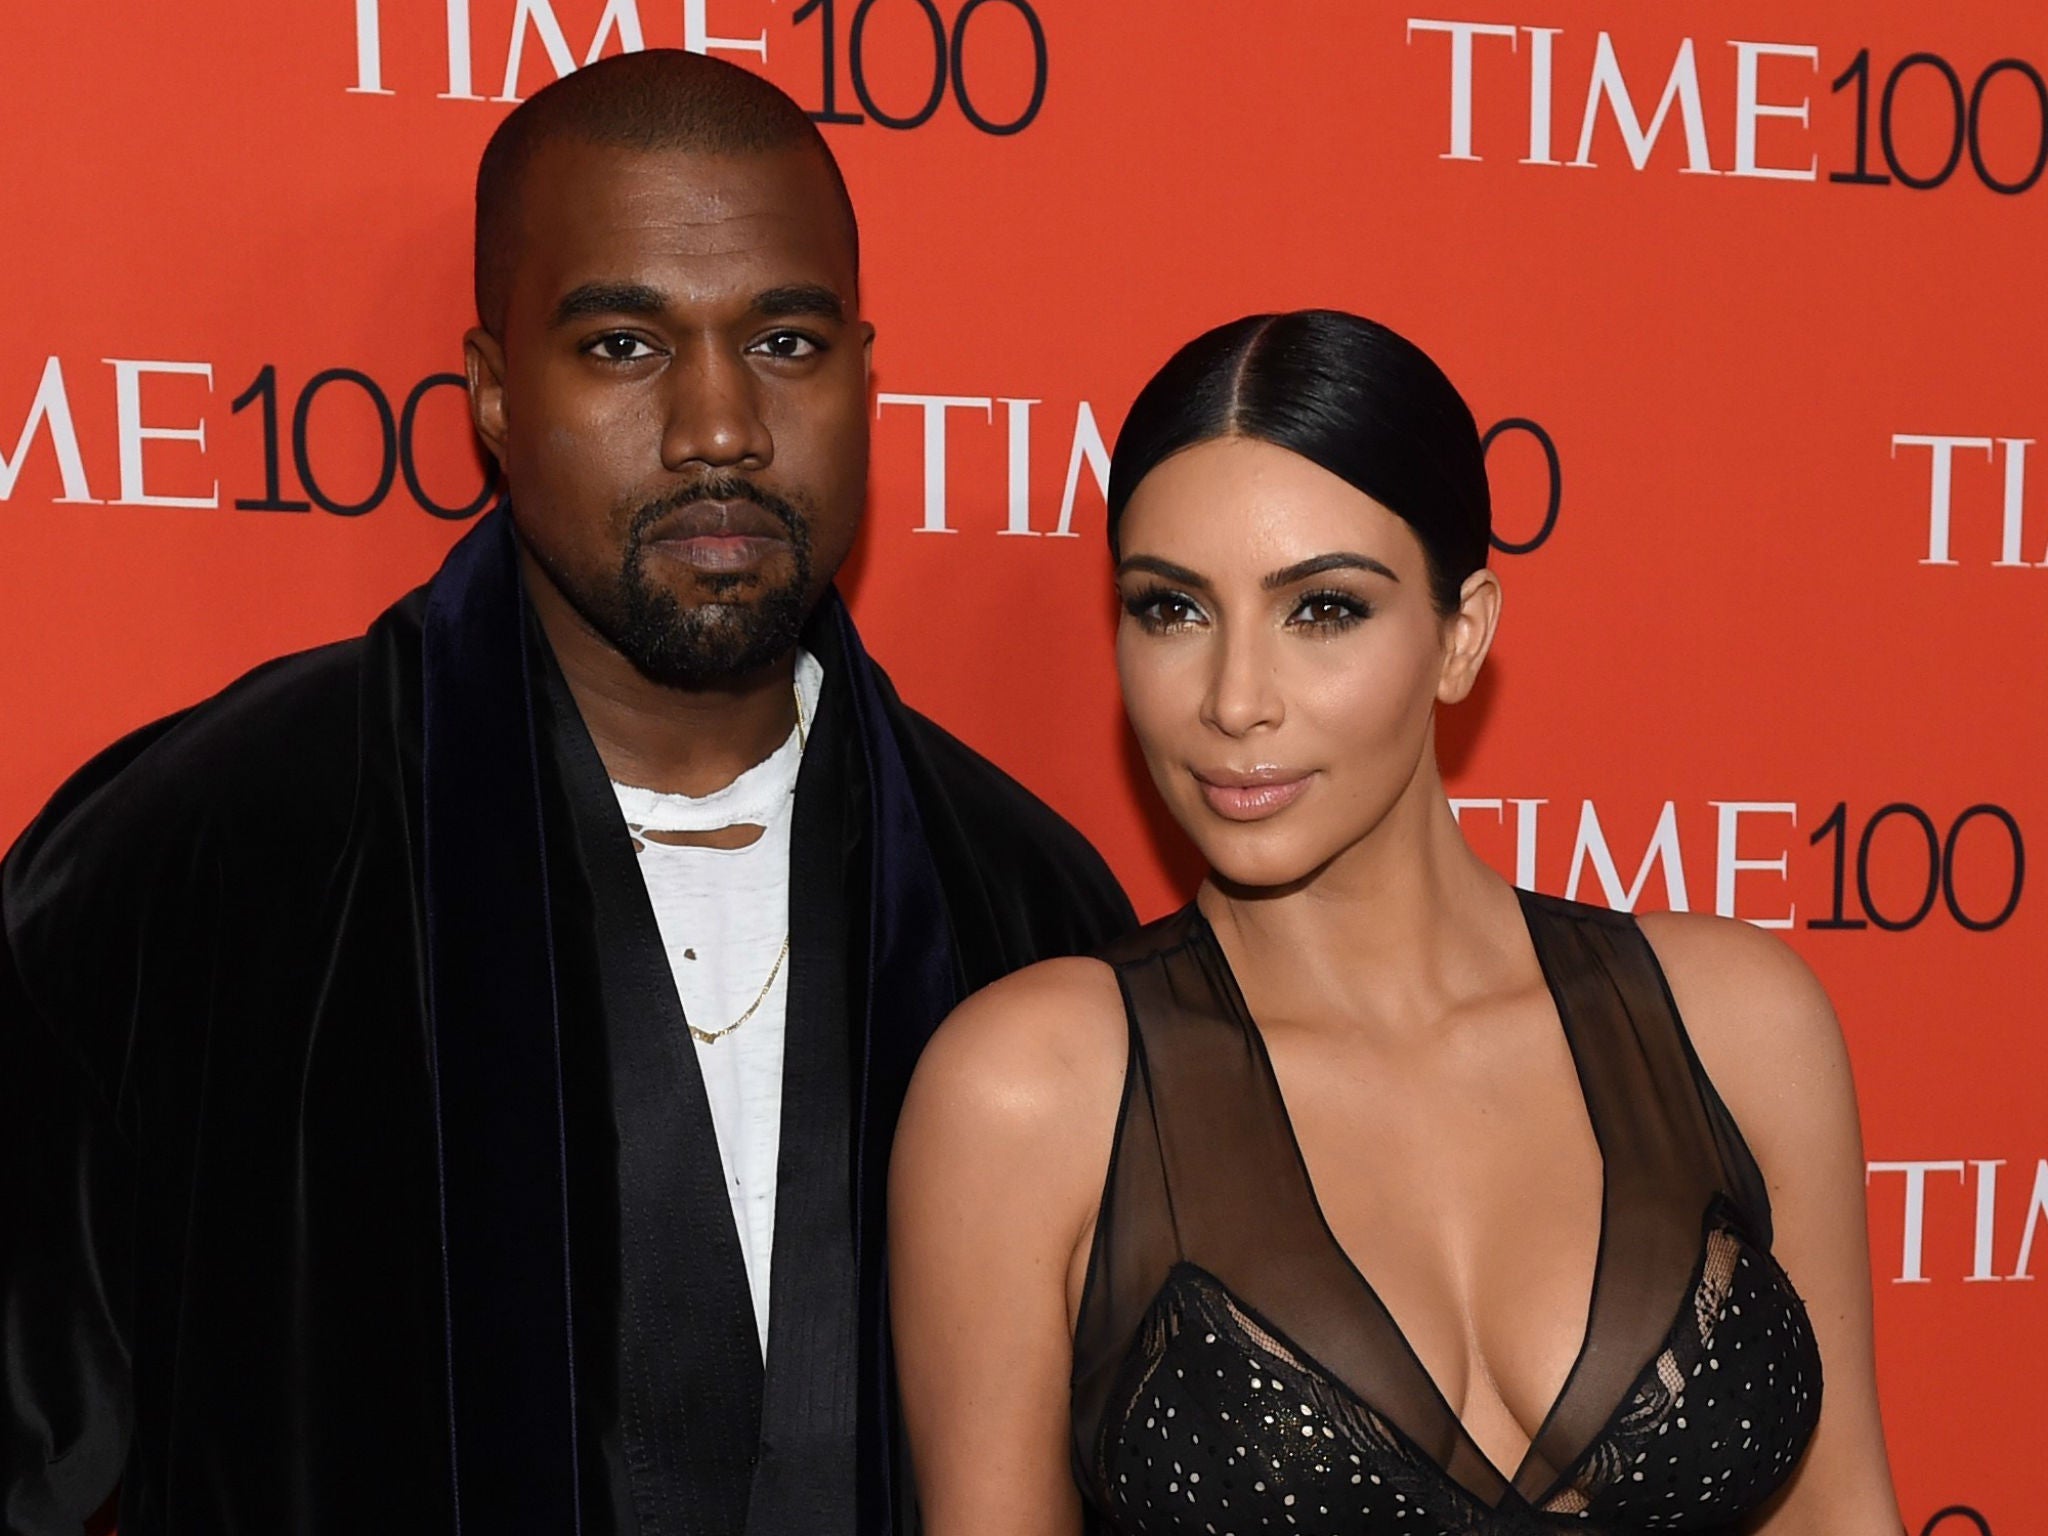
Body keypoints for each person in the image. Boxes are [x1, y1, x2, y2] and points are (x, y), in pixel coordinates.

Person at [0, 49, 1131, 1536]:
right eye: (622, 345)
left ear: (864, 375)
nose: (718, 425)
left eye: (784, 341)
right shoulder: (203, 857)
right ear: (490, 392)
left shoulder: (1028, 907)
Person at [889, 310, 1903, 1533]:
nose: (1233, 700)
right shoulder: (1028, 1094)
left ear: (1459, 637)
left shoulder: (1734, 1022)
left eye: (1321, 609)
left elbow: (1838, 1509)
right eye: (1172, 610)